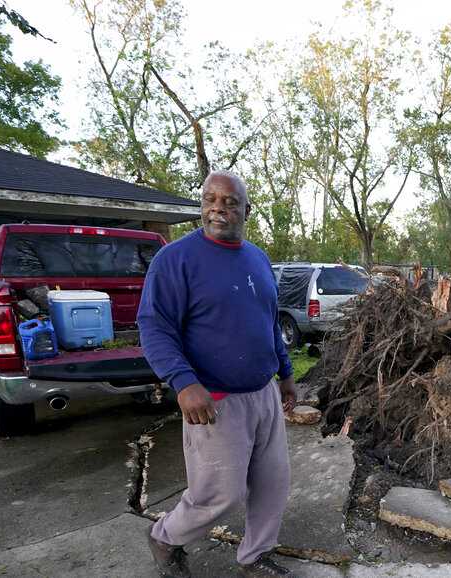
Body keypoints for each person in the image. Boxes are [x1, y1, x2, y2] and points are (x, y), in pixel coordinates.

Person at [138, 170, 297, 578]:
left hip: (262, 394)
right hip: (214, 400)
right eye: (210, 199)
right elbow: (155, 326)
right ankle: (165, 537)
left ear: (246, 208)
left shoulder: (258, 258)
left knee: (272, 484)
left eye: (229, 201)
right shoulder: (175, 259)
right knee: (220, 494)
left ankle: (255, 556)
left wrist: (286, 373)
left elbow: (268, 322)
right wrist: (183, 382)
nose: (218, 209)